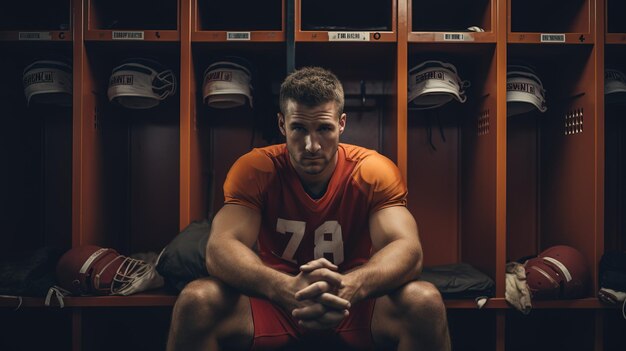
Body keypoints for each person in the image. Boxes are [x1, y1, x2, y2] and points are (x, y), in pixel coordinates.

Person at [166, 67, 451, 351]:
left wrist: (351, 285)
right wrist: (283, 288)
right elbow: (220, 249)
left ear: (341, 124)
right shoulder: (256, 169)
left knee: (424, 302)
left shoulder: (370, 171)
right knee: (196, 301)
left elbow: (408, 249)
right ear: (282, 124)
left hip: (352, 302)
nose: (311, 145)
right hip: (275, 302)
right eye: (299, 128)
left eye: (324, 128)